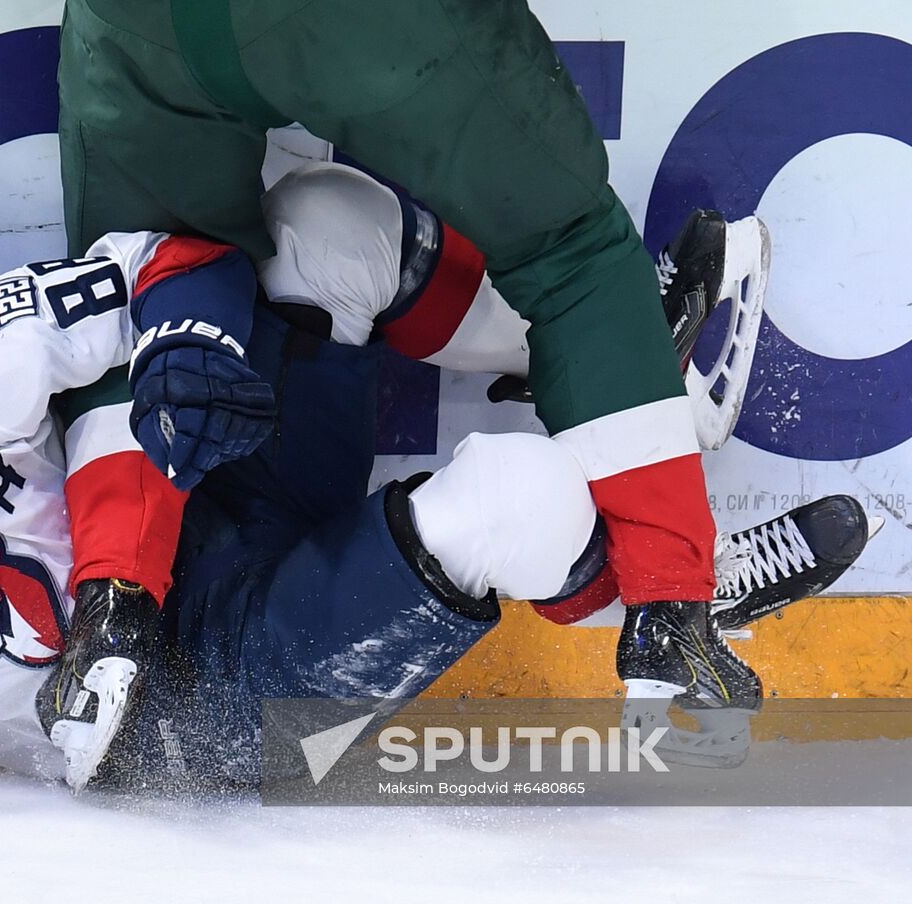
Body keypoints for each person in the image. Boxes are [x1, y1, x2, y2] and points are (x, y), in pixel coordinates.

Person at [0, 173, 872, 796]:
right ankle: (672, 592)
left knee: (318, 219)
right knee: (512, 498)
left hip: (194, 535)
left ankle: (604, 366)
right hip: (185, 720)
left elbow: (171, 265)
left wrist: (192, 348)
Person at [56, 0, 759, 713]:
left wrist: (116, 593)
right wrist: (670, 584)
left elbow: (115, 316)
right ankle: (652, 555)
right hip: (247, 670)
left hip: (135, 20)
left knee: (168, 274)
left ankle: (613, 377)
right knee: (567, 263)